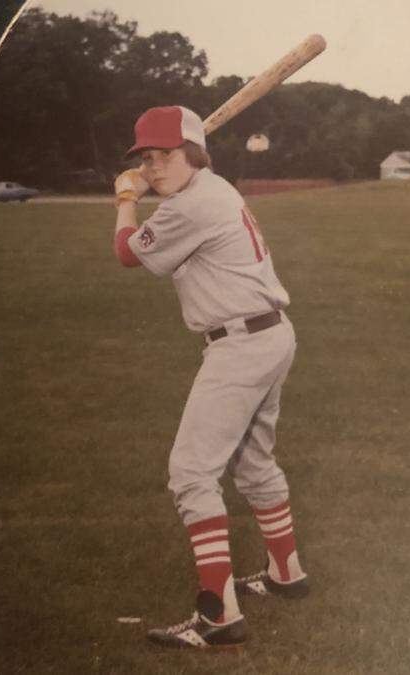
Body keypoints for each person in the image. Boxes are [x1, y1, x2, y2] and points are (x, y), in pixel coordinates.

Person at [112, 105, 311, 649]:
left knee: (191, 473)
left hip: (241, 346)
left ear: (193, 154)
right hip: (267, 335)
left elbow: (127, 253)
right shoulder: (210, 190)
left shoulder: (192, 203)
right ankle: (285, 573)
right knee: (253, 460)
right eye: (146, 159)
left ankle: (217, 616)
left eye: (163, 156)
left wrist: (126, 198)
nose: (152, 167)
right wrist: (152, 189)